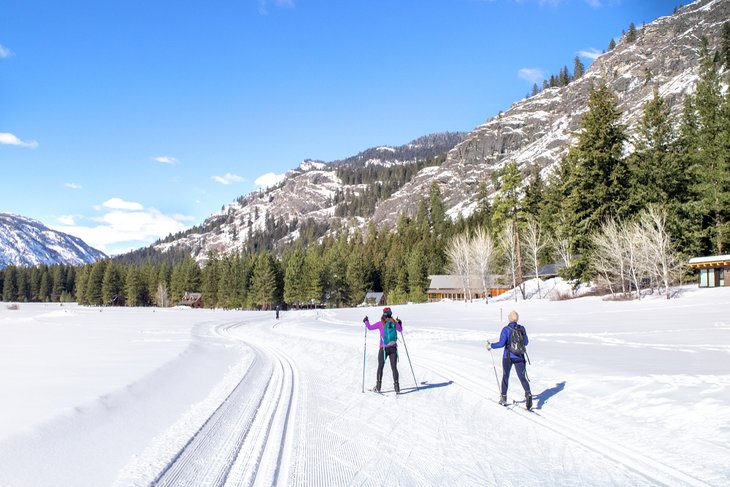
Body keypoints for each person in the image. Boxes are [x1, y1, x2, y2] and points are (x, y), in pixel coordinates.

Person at [486, 310, 532, 410]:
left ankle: (503, 398)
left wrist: (491, 346)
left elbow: (501, 343)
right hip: (520, 356)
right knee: (522, 377)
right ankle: (528, 393)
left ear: (509, 318)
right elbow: (526, 342)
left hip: (508, 357)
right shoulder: (522, 328)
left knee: (506, 376)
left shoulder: (506, 329)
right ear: (517, 318)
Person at [364, 307, 402, 393]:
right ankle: (397, 387)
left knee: (380, 367)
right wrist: (400, 322)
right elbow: (400, 330)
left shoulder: (380, 323)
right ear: (390, 313)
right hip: (393, 348)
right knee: (394, 368)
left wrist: (366, 321)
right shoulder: (394, 322)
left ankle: (378, 387)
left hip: (383, 349)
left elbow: (369, 327)